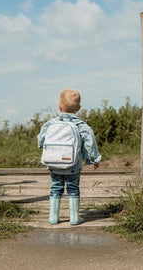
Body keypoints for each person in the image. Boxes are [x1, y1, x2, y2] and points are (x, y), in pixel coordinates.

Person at [37, 89, 101, 225]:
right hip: (73, 165)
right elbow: (90, 144)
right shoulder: (82, 126)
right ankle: (74, 218)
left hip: (54, 164)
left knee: (55, 188)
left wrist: (43, 146)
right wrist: (93, 160)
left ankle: (53, 218)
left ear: (59, 105)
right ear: (78, 108)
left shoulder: (51, 124)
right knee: (73, 189)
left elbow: (41, 138)